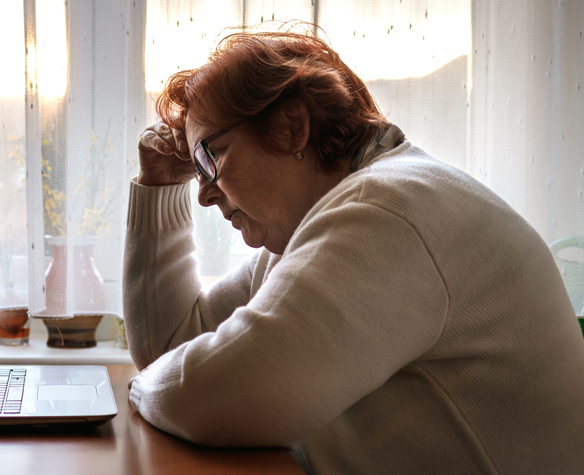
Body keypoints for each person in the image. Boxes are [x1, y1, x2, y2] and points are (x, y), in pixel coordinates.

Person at [123, 25, 584, 474]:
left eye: (209, 157)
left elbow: (233, 391)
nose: (203, 193)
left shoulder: (387, 212)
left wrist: (143, 388)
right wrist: (160, 184)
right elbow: (171, 345)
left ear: (291, 128)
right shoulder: (316, 225)